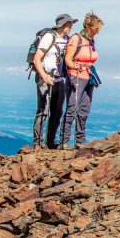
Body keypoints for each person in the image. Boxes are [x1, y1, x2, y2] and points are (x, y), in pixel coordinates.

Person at [32, 14, 77, 150]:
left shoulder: (67, 39)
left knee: (57, 112)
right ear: (62, 25)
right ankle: (38, 143)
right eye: (69, 24)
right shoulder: (49, 37)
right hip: (46, 78)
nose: (71, 26)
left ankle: (50, 142)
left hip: (59, 79)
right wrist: (44, 76)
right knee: (43, 111)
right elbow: (36, 59)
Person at [61, 12, 104, 149]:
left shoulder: (90, 41)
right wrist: (76, 66)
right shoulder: (76, 39)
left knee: (84, 110)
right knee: (72, 109)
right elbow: (68, 60)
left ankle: (80, 141)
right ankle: (64, 142)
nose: (97, 32)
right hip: (76, 77)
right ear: (89, 27)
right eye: (96, 28)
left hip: (89, 77)